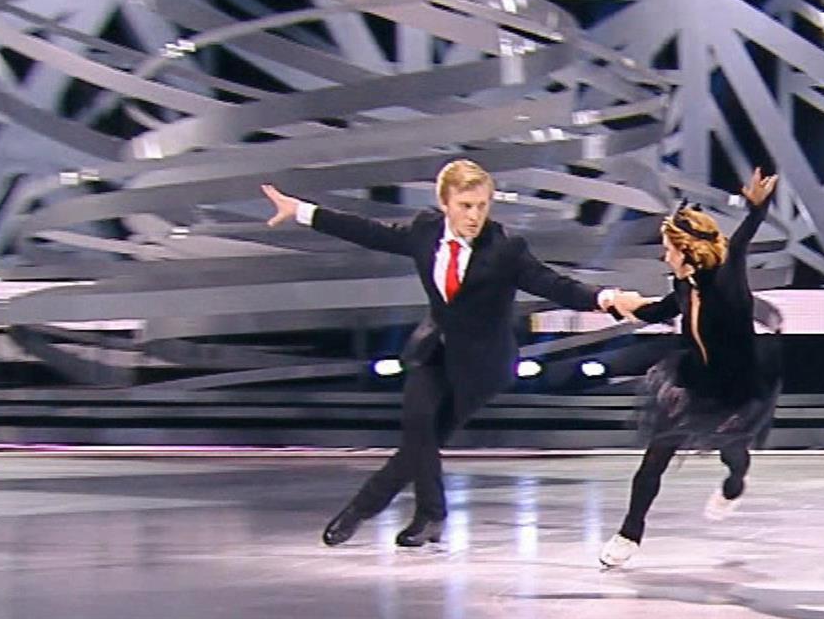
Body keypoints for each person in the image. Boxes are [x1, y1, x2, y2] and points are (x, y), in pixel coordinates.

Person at [261, 159, 636, 548]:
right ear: (445, 203)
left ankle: (387, 512)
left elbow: (552, 283)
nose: (474, 216)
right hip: (433, 351)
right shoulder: (425, 231)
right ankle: (408, 514)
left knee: (420, 445)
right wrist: (302, 211)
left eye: (482, 206)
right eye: (465, 206)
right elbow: (369, 231)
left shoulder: (505, 248)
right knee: (418, 424)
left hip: (482, 366)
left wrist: (606, 298)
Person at [598, 168, 780, 568]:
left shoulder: (727, 280)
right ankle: (629, 532)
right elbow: (658, 311)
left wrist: (757, 207)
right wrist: (621, 305)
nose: (665, 256)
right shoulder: (684, 285)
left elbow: (741, 241)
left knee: (734, 454)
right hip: (693, 382)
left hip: (735, 389)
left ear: (686, 250)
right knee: (654, 458)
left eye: (668, 249)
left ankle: (735, 485)